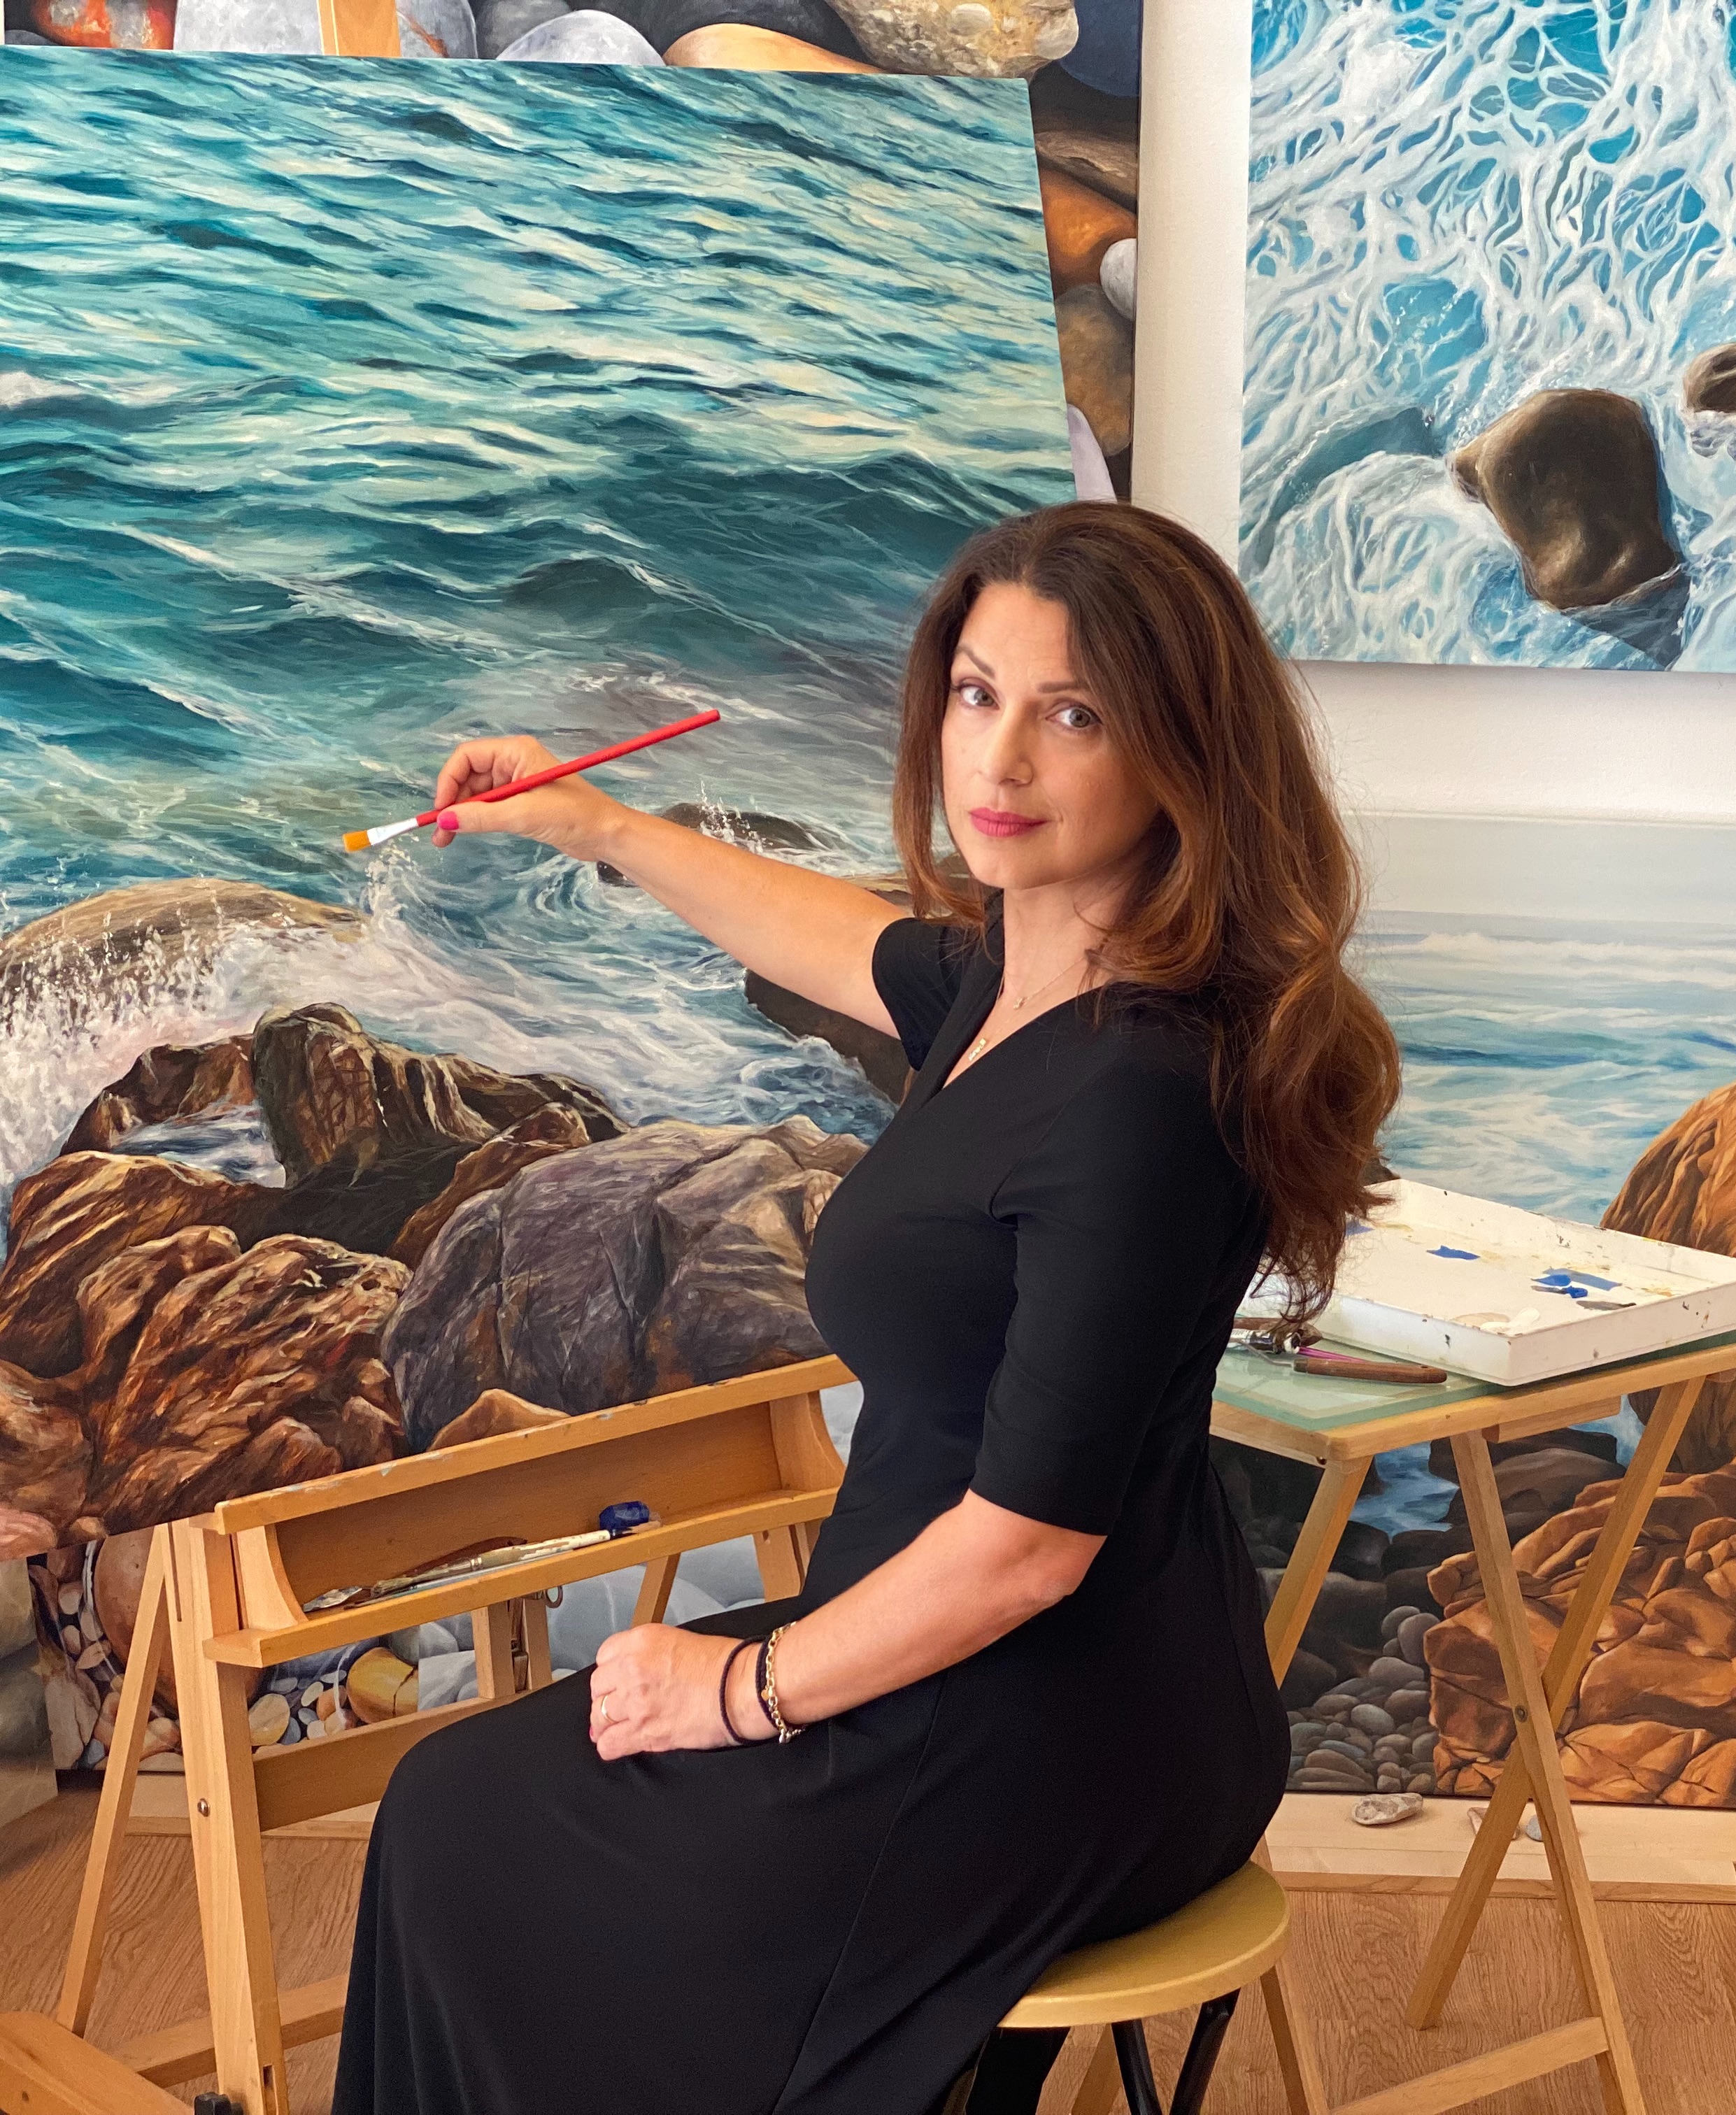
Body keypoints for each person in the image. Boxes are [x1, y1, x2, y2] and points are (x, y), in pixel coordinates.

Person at [334, 503, 1400, 2115]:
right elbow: (838, 940)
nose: (1003, 759)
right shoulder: (1014, 982)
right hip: (965, 1650)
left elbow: (1031, 1549)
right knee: (463, 1807)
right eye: (979, 694)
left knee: (473, 1831)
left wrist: (739, 1691)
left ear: (1183, 752)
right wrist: (596, 822)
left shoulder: (1137, 1094)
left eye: (1074, 714)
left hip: (1058, 1719)